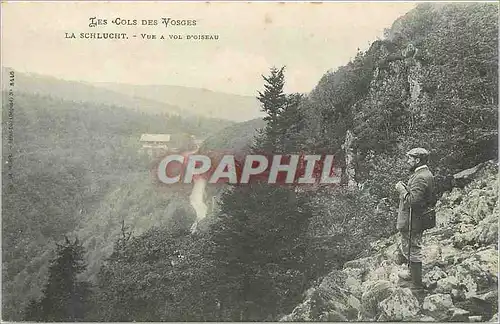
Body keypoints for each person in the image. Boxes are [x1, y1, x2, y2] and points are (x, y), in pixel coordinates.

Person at [395, 147, 436, 290]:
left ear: (417, 160)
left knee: (413, 249)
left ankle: (416, 284)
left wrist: (401, 189)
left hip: (413, 220)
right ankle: (412, 274)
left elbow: (413, 202)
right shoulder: (423, 174)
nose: (407, 161)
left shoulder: (420, 176)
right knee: (410, 248)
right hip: (415, 219)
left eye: (410, 159)